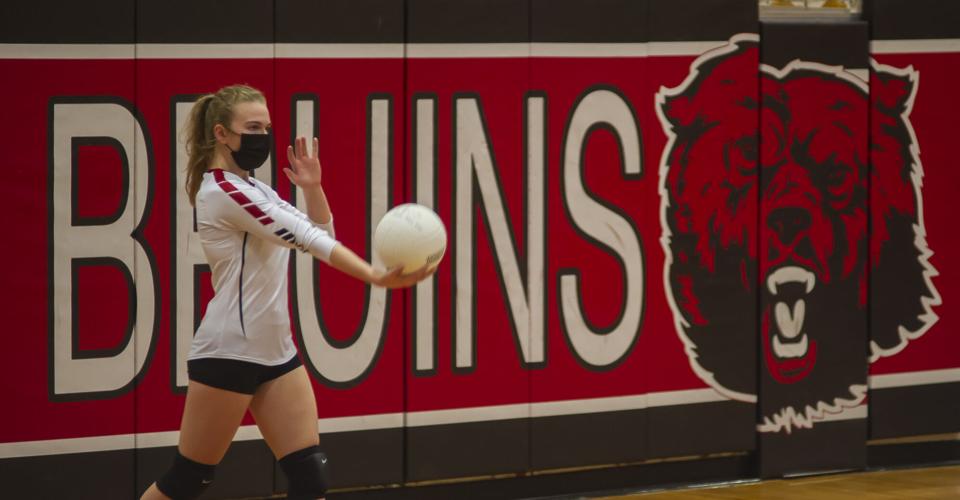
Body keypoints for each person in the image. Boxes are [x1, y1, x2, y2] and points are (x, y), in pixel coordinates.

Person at [140, 84, 431, 500]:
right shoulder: (222, 192)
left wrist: (312, 187)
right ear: (221, 133)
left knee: (310, 477)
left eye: (266, 127)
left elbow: (321, 231)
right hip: (229, 352)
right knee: (188, 478)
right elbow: (310, 239)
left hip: (276, 352)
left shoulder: (256, 189)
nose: (263, 136)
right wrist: (374, 275)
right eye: (252, 127)